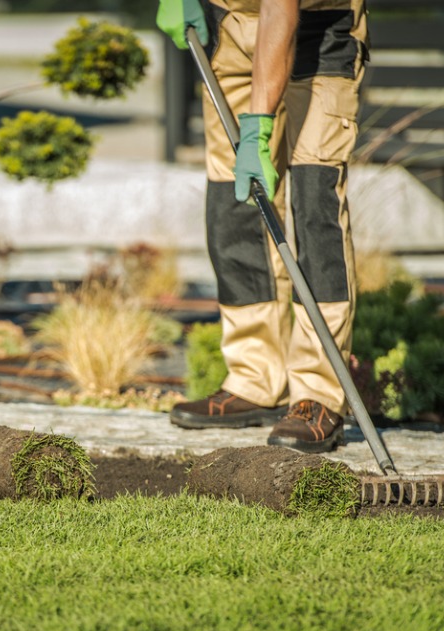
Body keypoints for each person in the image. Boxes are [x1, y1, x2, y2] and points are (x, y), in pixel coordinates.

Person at [157, 0, 369, 453]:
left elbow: (281, 11)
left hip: (317, 27)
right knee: (233, 202)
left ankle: (317, 393)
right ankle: (255, 377)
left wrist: (256, 129)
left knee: (316, 200)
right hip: (231, 28)